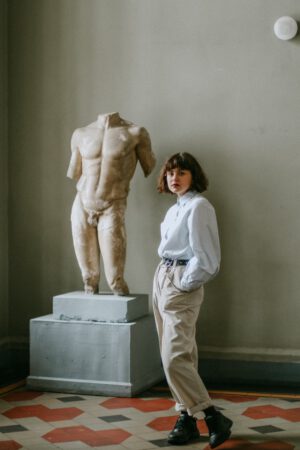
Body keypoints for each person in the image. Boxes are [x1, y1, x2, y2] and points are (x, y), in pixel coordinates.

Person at [152, 152, 233, 448]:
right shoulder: (175, 208)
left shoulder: (199, 206)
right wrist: (166, 278)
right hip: (163, 276)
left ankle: (212, 416)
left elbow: (208, 257)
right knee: (177, 353)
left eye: (182, 173)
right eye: (171, 173)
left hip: (180, 281)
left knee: (173, 357)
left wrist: (185, 283)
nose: (175, 178)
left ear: (193, 176)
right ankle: (186, 420)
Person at [67, 112, 155, 295]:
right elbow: (75, 172)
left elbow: (149, 165)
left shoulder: (135, 133)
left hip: (112, 204)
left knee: (116, 281)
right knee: (89, 280)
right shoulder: (80, 134)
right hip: (82, 203)